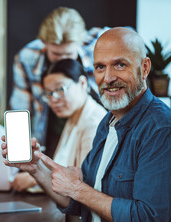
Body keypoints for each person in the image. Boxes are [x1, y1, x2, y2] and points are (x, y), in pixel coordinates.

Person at [2, 27, 171, 222]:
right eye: (100, 67)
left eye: (120, 65)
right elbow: (77, 202)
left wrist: (77, 188)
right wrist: (36, 169)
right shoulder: (108, 122)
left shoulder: (163, 130)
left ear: (144, 67)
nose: (108, 77)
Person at [10, 7, 107, 156]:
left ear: (81, 42)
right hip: (50, 132)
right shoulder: (27, 58)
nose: (63, 61)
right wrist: (18, 159)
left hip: (90, 123)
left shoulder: (100, 45)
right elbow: (19, 111)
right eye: (56, 54)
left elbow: (129, 37)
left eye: (69, 54)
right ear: (43, 43)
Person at [11, 59, 106, 192]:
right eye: (48, 93)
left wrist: (35, 178)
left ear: (82, 83)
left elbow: (86, 182)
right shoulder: (73, 117)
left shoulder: (93, 123)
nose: (53, 99)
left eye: (60, 89)